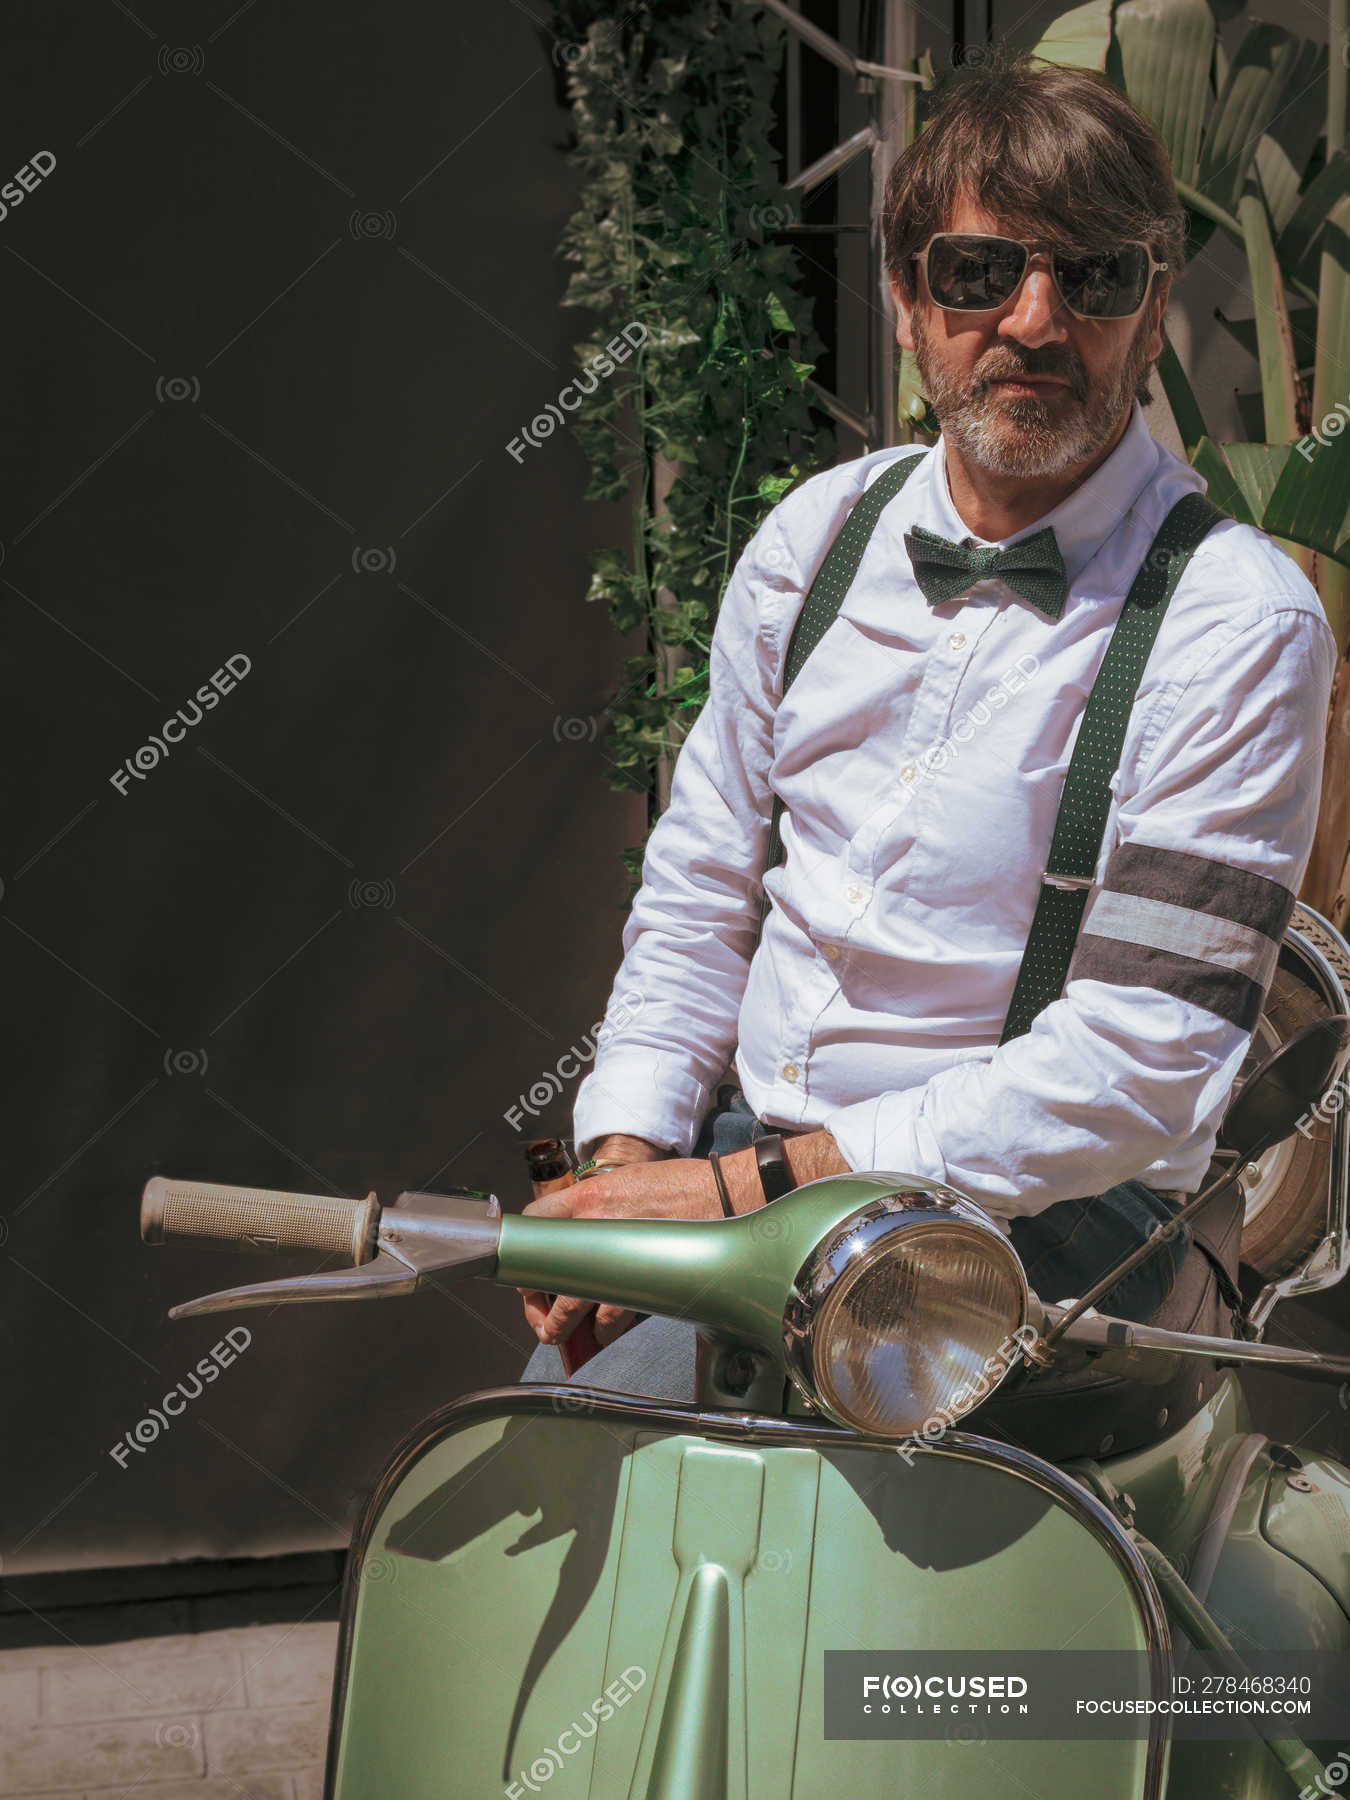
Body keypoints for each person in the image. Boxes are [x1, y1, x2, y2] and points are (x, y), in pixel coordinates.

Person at [518, 49, 1336, 1399]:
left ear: (1146, 316)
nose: (1033, 318)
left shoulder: (1230, 622)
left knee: (902, 1583)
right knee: (537, 1483)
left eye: (1094, 276)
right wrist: (623, 1169)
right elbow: (700, 891)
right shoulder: (813, 540)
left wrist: (734, 1189)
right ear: (903, 301)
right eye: (977, 271)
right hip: (743, 1165)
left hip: (1056, 1226)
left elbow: (1134, 1069)